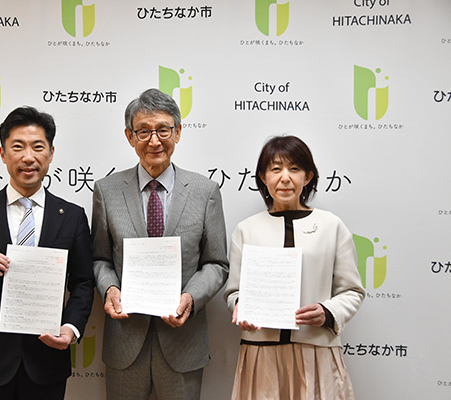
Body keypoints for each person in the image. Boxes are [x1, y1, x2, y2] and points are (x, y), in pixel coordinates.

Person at [0, 106, 94, 400]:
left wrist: (71, 327)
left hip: (47, 359)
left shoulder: (72, 216)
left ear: (51, 153)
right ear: (3, 153)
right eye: (18, 147)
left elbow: (83, 282)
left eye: (38, 147)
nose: (28, 157)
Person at [92, 88, 229, 400]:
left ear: (178, 132)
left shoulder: (205, 191)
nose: (154, 141)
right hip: (125, 341)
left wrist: (191, 297)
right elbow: (100, 258)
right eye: (143, 131)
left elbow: (216, 263)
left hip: (183, 342)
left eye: (163, 130)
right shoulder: (106, 191)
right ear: (130, 136)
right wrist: (110, 289)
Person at [224, 135, 365, 400]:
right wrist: (240, 306)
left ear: (308, 176)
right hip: (261, 352)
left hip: (316, 350)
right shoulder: (246, 229)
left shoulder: (331, 226)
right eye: (276, 169)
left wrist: (328, 312)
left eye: (295, 169)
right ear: (263, 177)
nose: (285, 178)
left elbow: (352, 291)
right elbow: (234, 292)